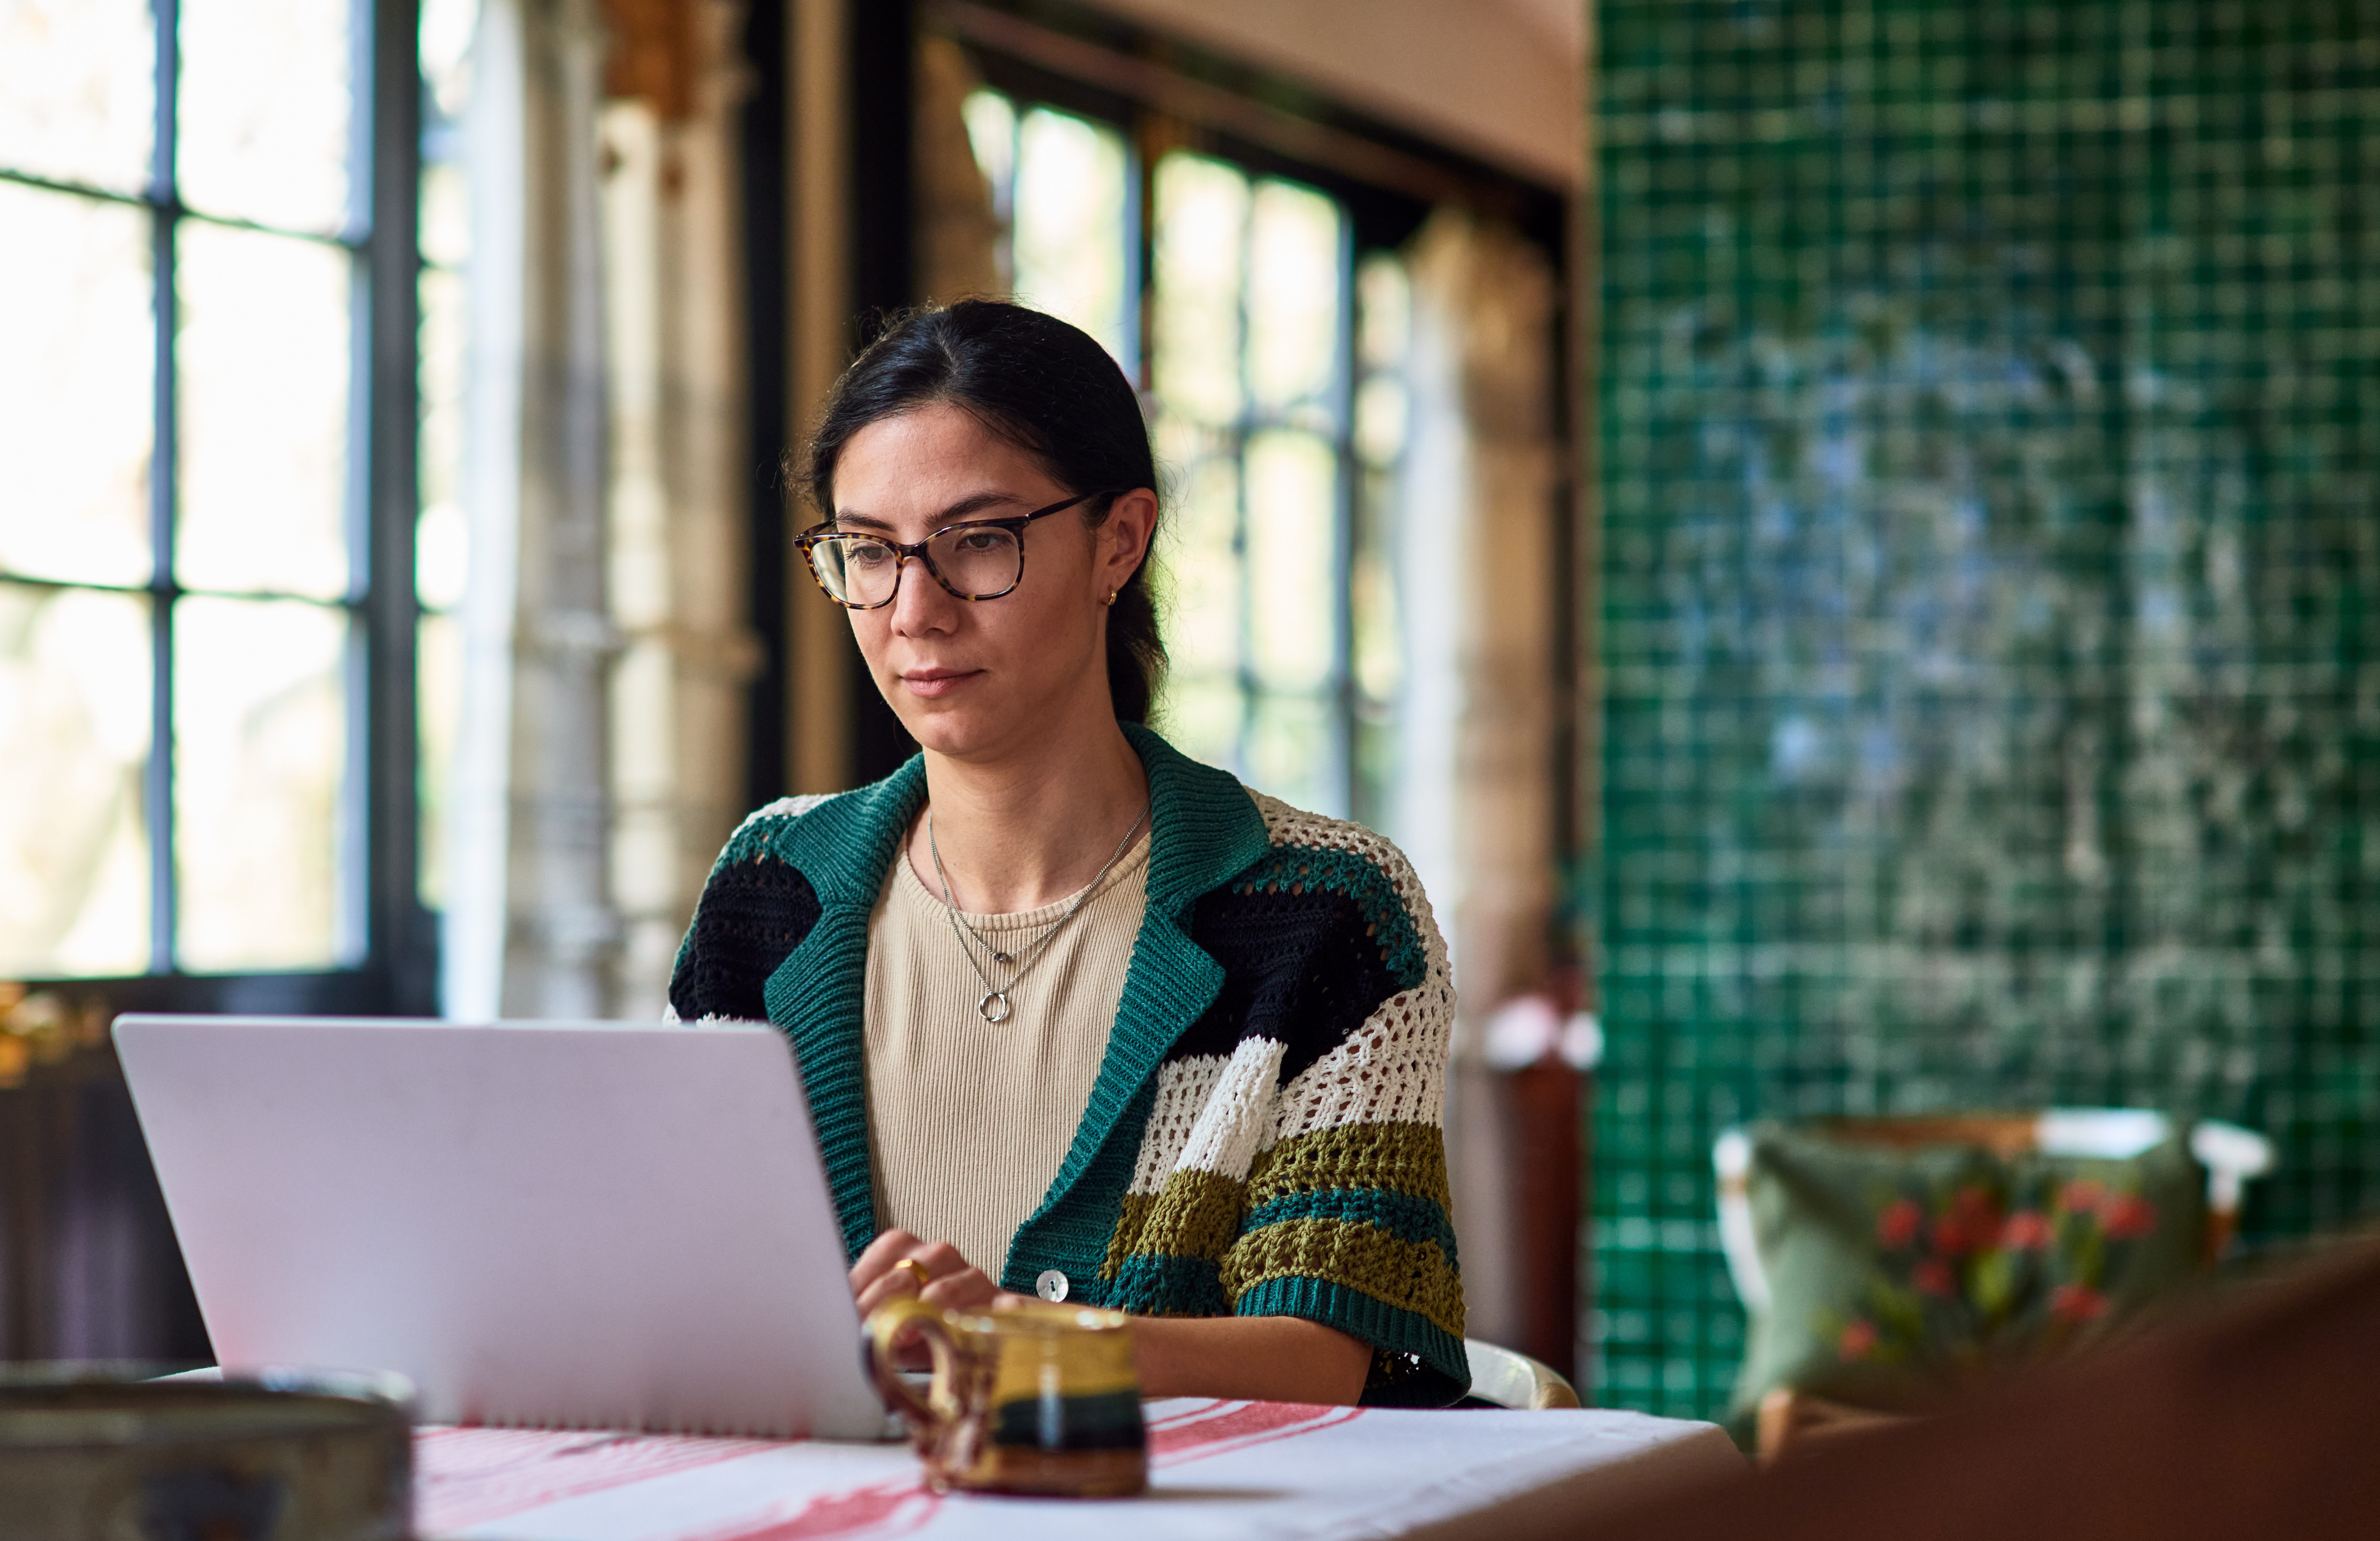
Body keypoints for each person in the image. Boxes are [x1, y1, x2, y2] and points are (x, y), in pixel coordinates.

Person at [667, 299, 1465, 1407]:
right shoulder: (768, 892)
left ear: (1120, 542)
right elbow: (683, 1285)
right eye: (868, 553)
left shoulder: (1328, 912)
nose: (914, 610)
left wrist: (1028, 1338)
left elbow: (1326, 1355)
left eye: (978, 542)